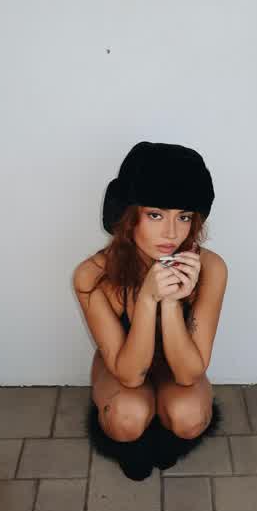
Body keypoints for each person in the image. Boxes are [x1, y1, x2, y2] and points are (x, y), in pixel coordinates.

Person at [73, 141, 227, 480]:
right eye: (155, 215)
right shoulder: (93, 276)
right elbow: (130, 376)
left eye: (183, 217)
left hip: (178, 366)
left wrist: (170, 301)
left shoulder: (210, 268)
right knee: (126, 416)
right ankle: (133, 451)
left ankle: (166, 444)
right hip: (124, 366)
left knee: (189, 415)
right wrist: (146, 299)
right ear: (129, 217)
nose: (171, 233)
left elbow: (188, 374)